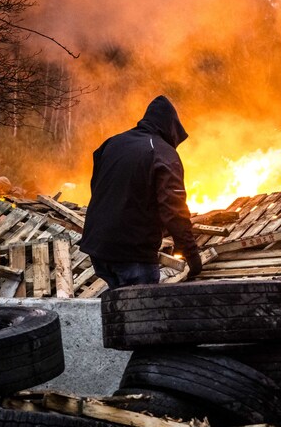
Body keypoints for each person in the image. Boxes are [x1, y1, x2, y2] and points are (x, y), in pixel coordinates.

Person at [80, 95, 200, 289]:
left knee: (117, 306)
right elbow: (174, 210)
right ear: (171, 127)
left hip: (98, 249)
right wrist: (192, 254)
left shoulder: (112, 143)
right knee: (140, 311)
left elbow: (97, 187)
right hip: (133, 253)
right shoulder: (162, 153)